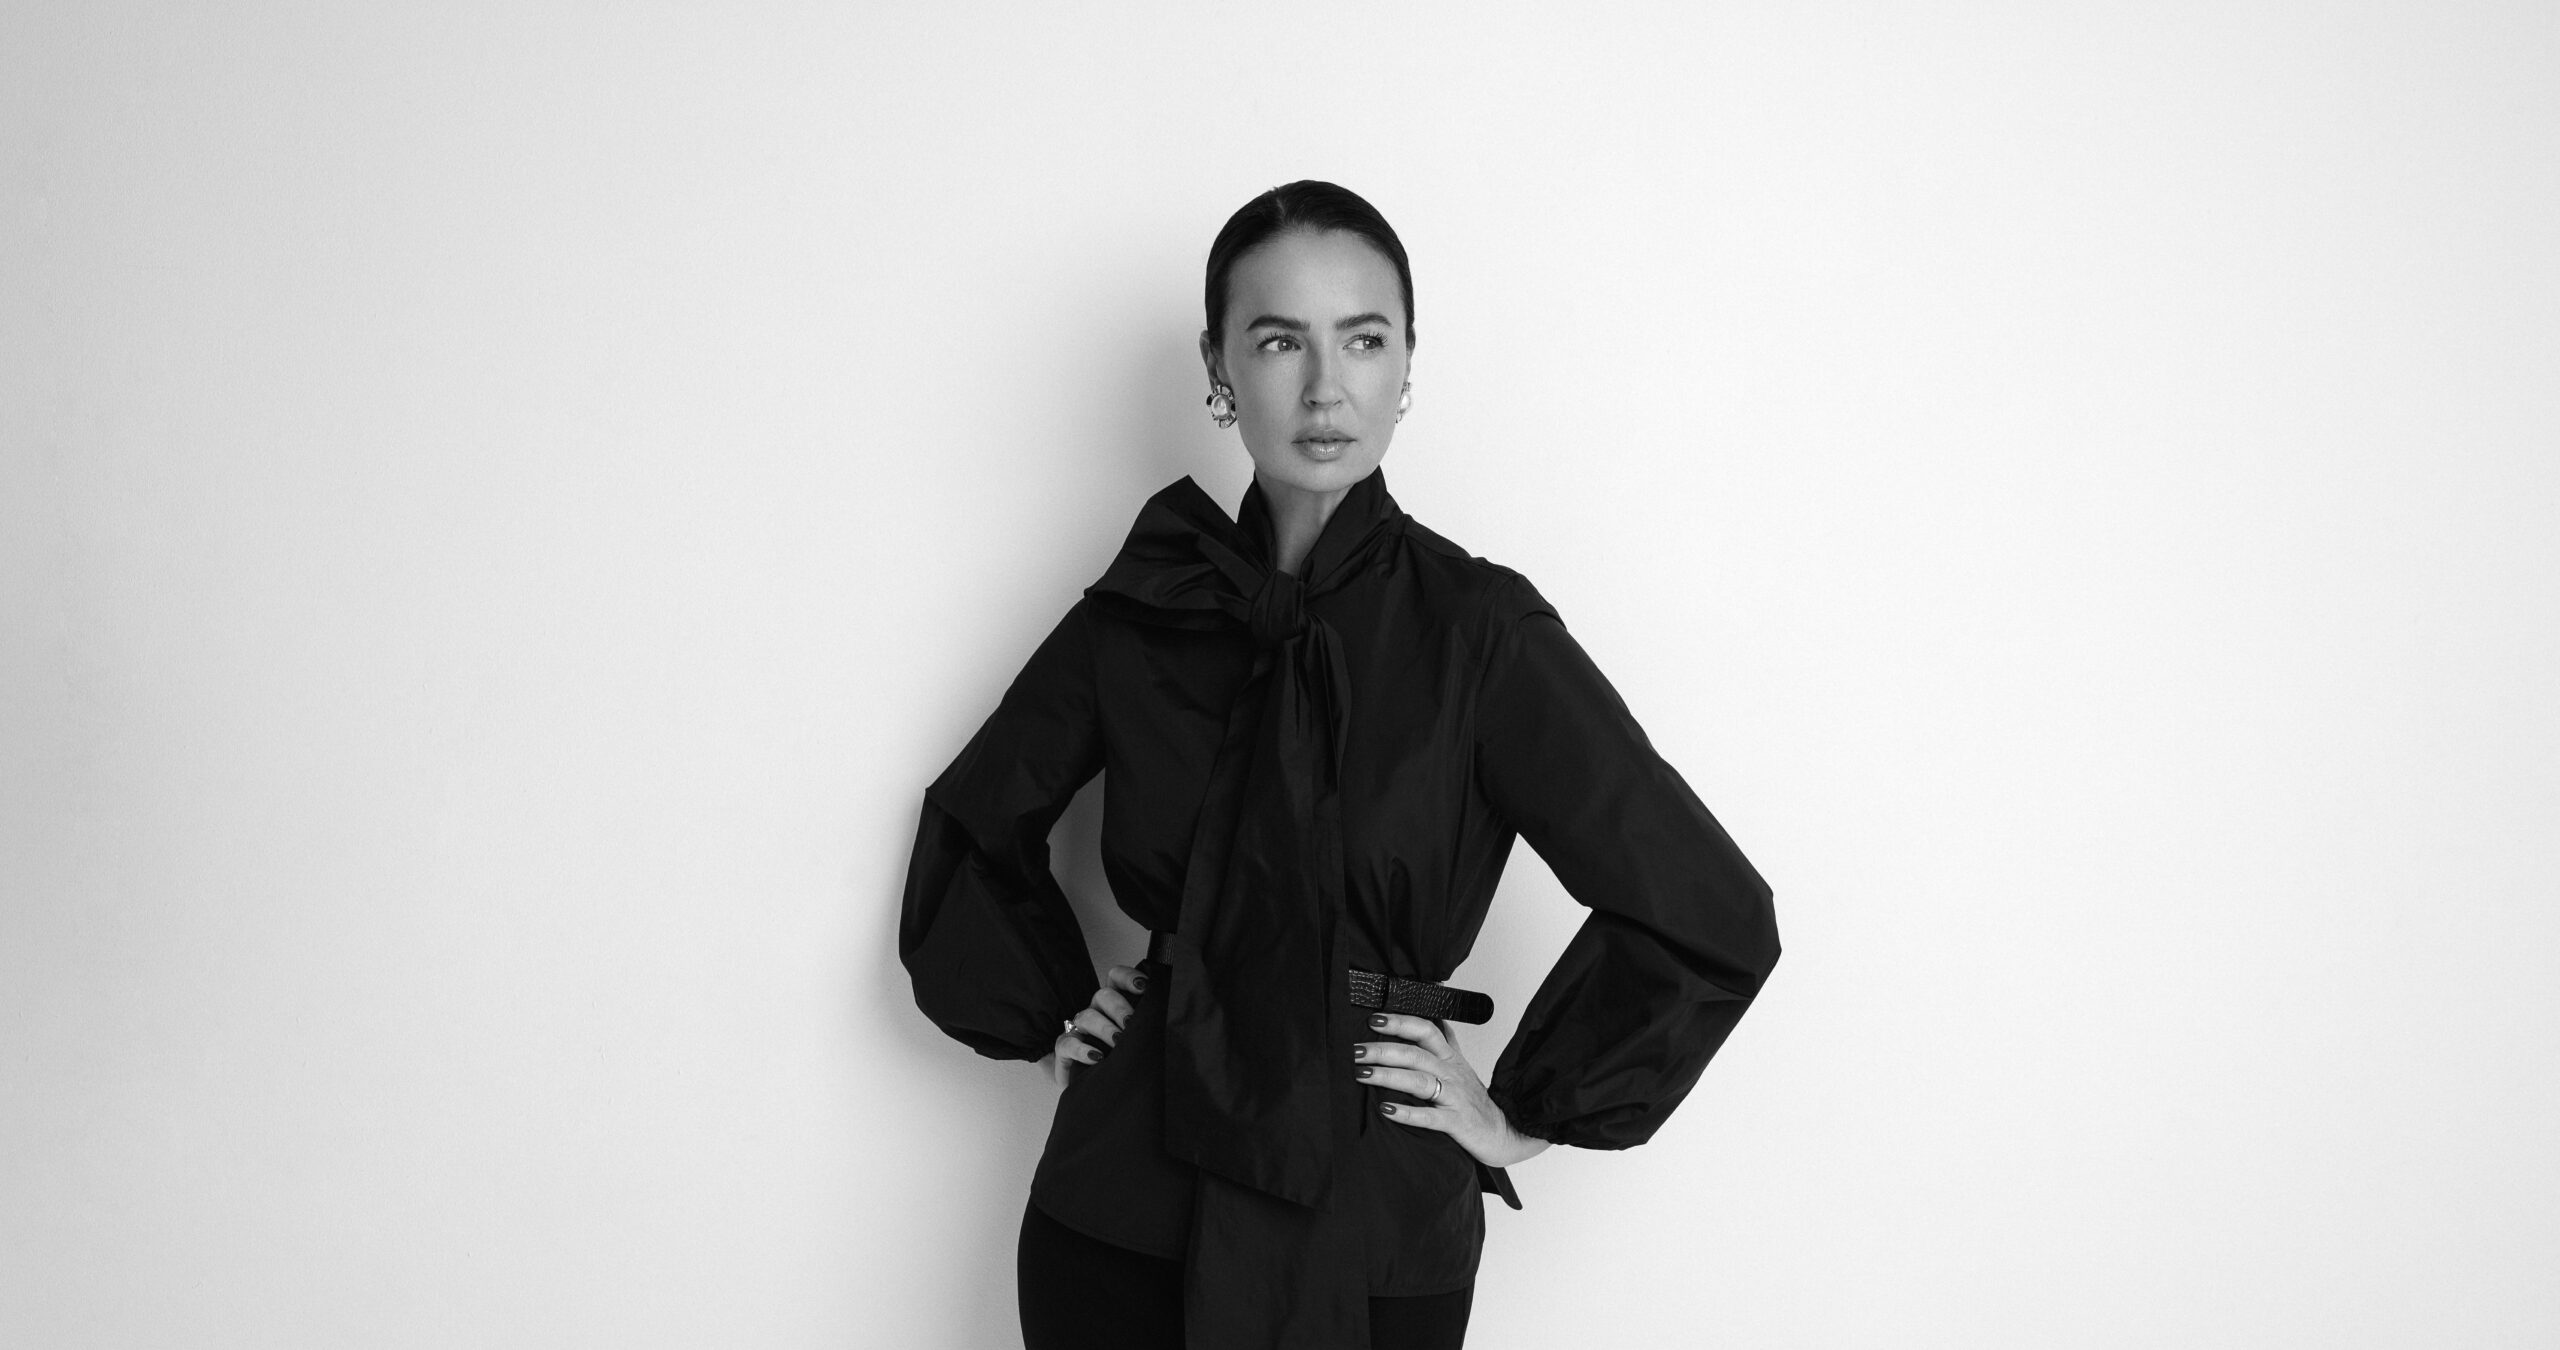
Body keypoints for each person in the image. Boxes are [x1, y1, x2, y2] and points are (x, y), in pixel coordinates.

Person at [899, 181, 1780, 1350]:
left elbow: (1704, 909)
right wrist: (1053, 1005)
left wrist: (1525, 1113)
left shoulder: (1479, 634)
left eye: (1363, 340)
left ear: (1407, 364)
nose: (1325, 388)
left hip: (1373, 1218)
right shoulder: (1146, 608)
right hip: (1121, 1211)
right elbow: (973, 825)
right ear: (1217, 367)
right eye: (1279, 342)